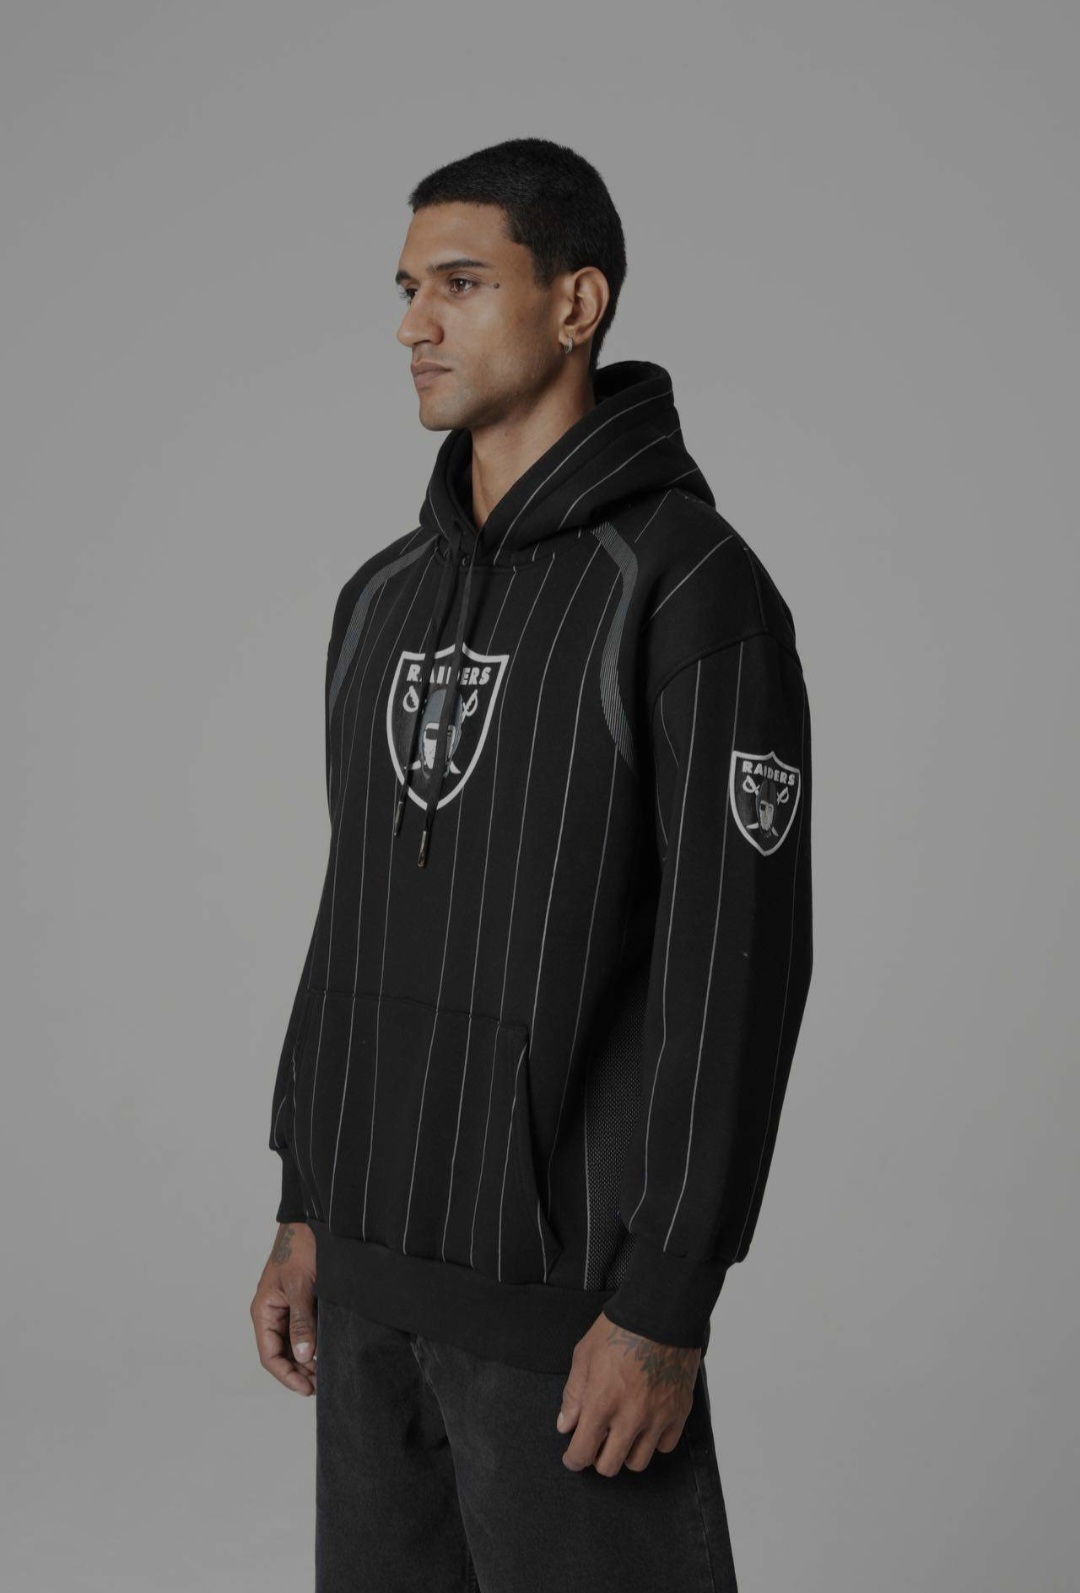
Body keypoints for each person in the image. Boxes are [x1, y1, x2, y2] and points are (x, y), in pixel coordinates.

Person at [250, 135, 813, 1593]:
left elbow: (738, 969)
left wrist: (668, 1299)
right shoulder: (379, 597)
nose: (412, 324)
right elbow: (355, 910)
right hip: (367, 1282)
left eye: (459, 283)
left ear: (577, 303)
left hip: (568, 1314)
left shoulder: (693, 588)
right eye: (404, 289)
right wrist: (305, 1201)